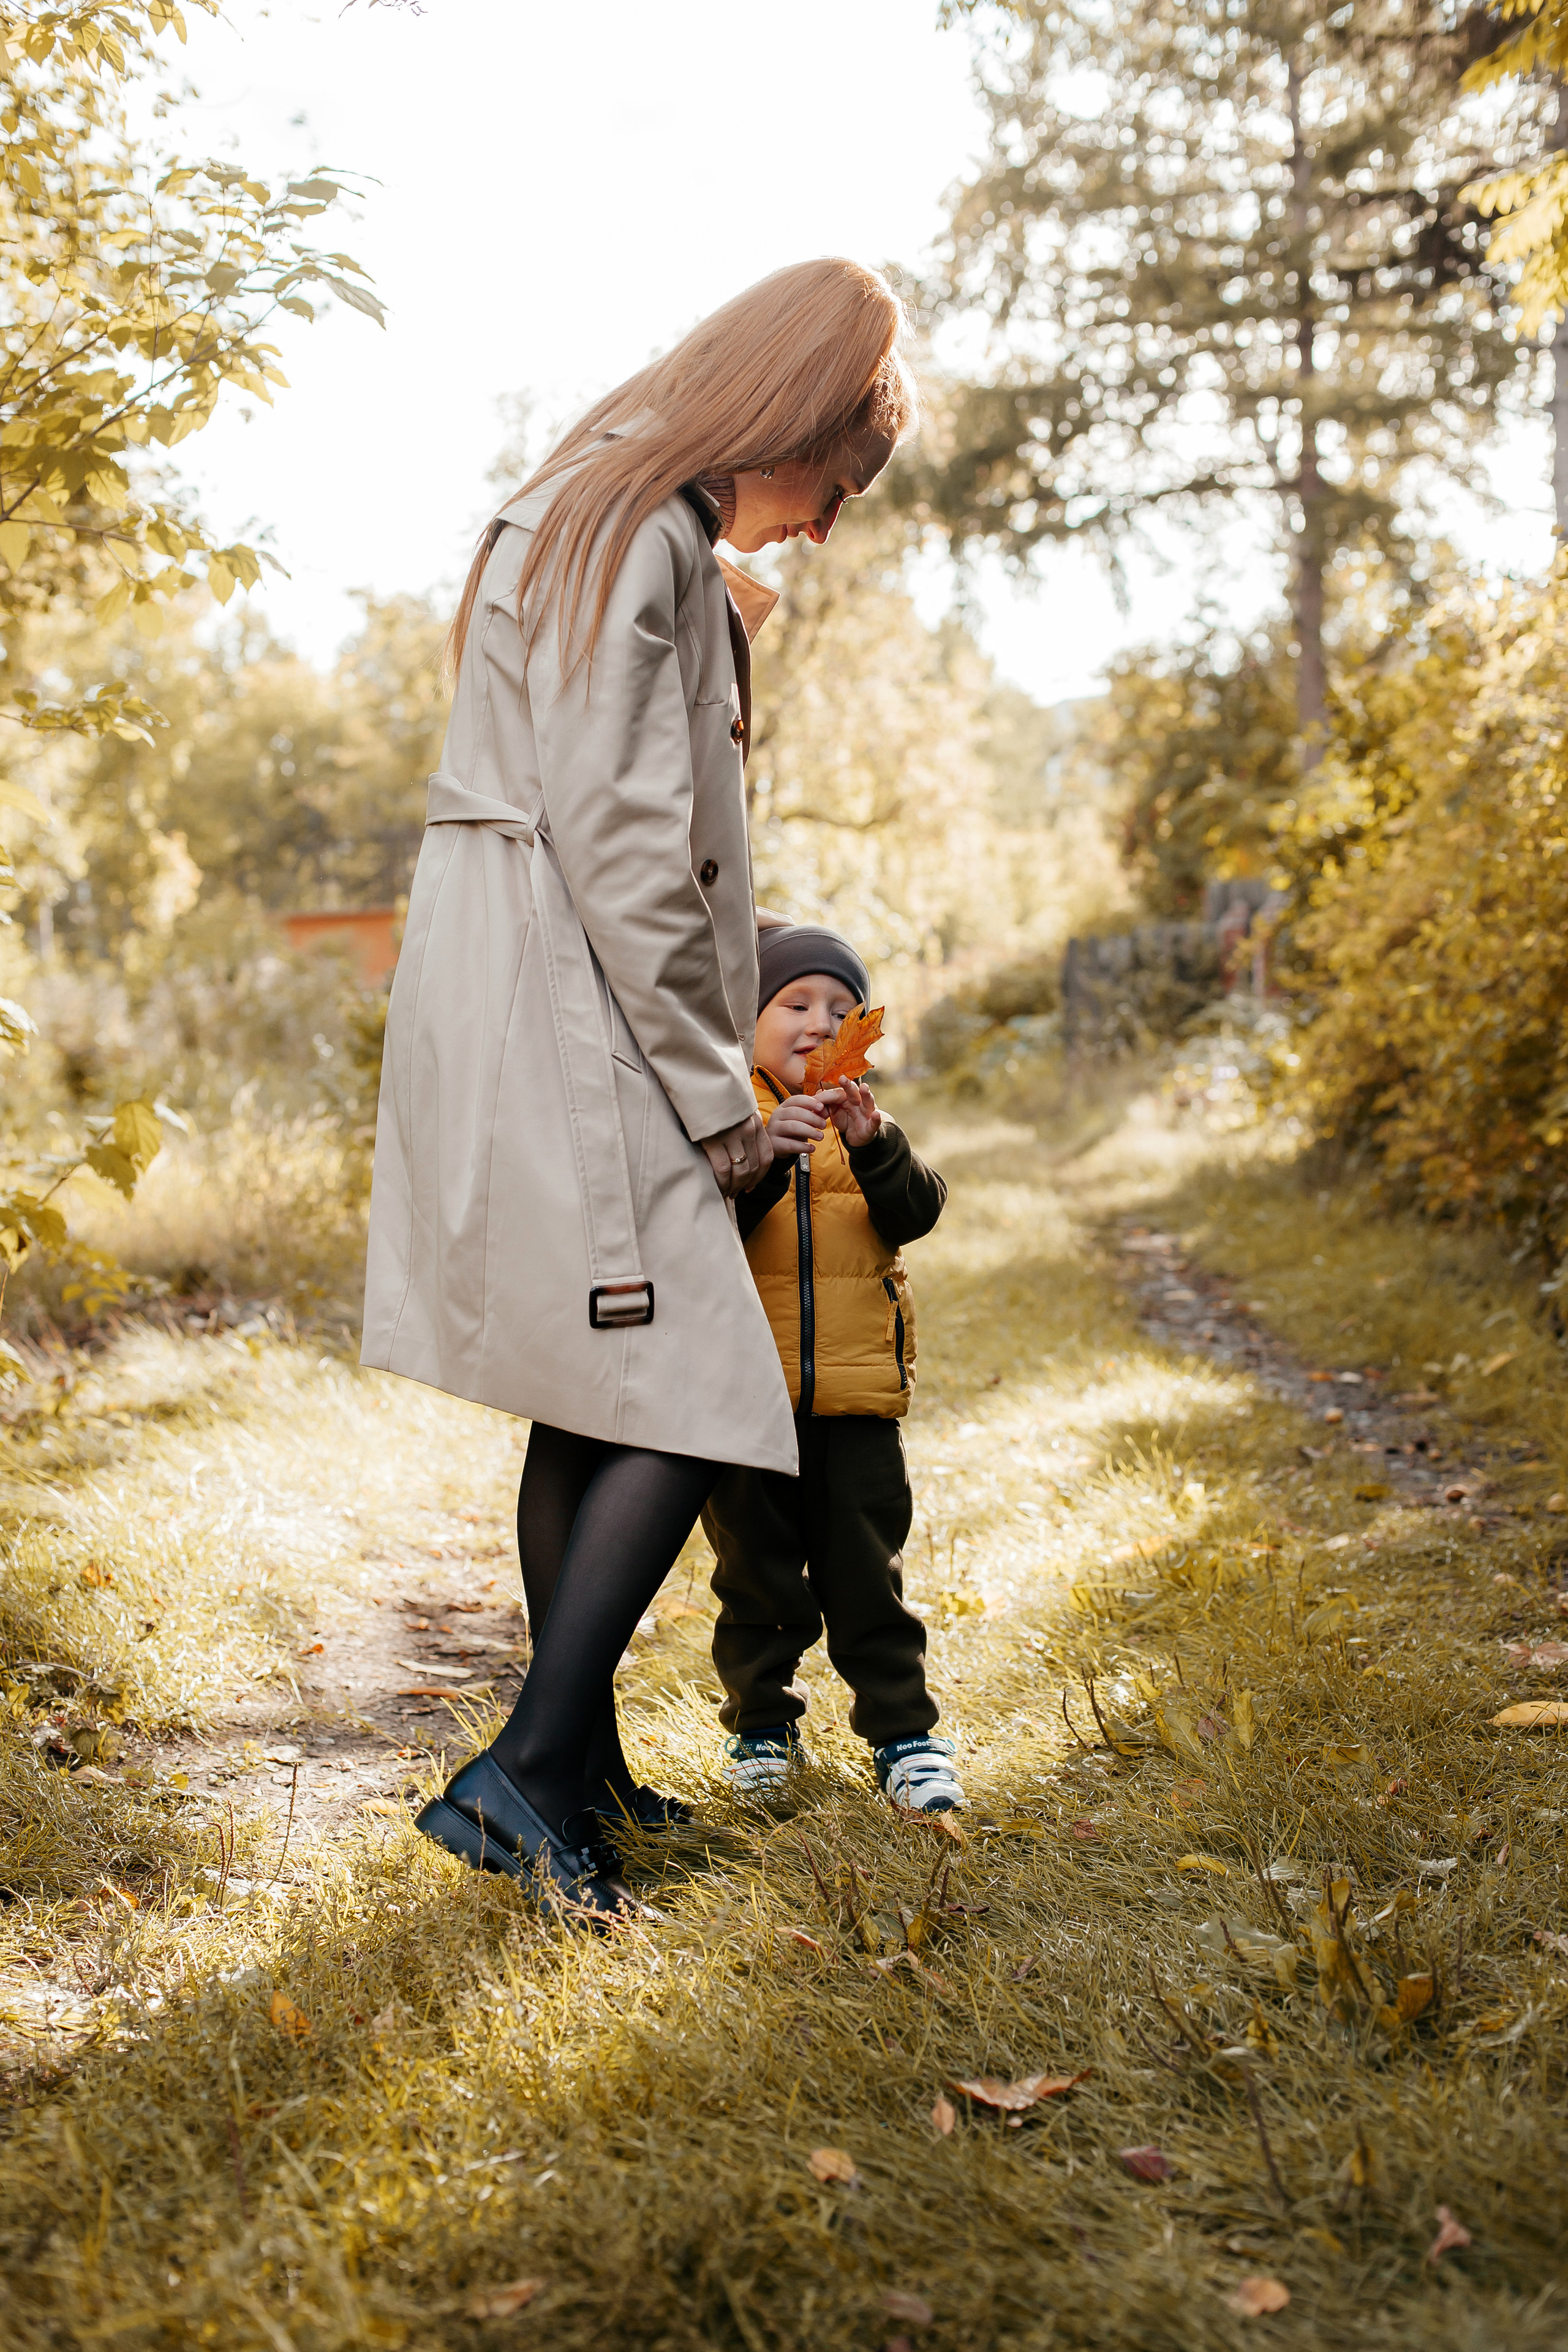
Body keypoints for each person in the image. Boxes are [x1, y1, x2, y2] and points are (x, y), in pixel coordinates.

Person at [360, 262, 916, 1922]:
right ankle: (524, 1770)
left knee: (596, 1381)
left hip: (526, 975)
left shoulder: (610, 515)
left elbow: (605, 783)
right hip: (577, 999)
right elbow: (618, 837)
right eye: (837, 489)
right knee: (696, 1384)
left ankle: (579, 1768)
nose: (820, 528)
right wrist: (712, 1093)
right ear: (799, 421)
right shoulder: (644, 532)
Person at [700, 921, 965, 1814]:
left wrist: (874, 1140)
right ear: (750, 1019)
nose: (820, 1022)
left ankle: (906, 1736)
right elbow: (710, 1227)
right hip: (748, 1396)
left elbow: (917, 1212)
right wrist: (768, 1149)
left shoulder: (866, 1117)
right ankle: (763, 1730)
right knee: (755, 1576)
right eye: (797, 1004)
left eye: (842, 1009)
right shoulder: (729, 1117)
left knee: (867, 1575)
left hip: (855, 1401)